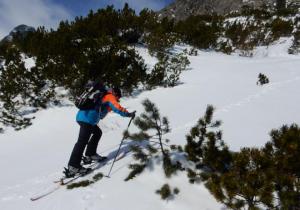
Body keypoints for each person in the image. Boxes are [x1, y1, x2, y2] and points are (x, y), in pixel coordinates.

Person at [65, 85, 135, 177]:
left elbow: (104, 109)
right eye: (118, 97)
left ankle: (90, 154)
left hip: (85, 118)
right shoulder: (109, 96)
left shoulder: (103, 95)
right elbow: (116, 107)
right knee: (82, 142)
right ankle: (73, 166)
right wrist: (127, 114)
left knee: (97, 133)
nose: (118, 99)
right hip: (87, 120)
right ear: (116, 94)